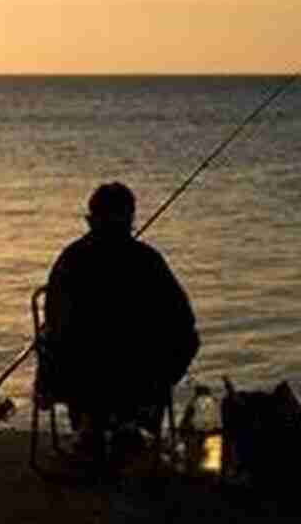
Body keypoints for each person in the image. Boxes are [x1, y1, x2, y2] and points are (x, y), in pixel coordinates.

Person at [41, 182, 199, 460]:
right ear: (130, 218)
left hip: (76, 375)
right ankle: (134, 418)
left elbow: (52, 317)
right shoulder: (147, 260)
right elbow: (182, 320)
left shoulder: (71, 258)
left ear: (91, 219)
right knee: (182, 340)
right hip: (136, 374)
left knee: (56, 341)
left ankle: (91, 422)